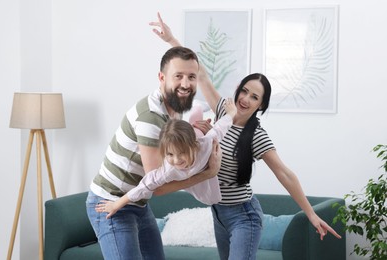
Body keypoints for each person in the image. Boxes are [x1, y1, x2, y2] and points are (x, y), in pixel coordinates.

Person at [150, 12, 342, 260]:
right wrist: (171, 40)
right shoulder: (221, 111)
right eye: (245, 91)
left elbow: (284, 173)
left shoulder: (257, 136)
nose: (246, 99)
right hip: (218, 213)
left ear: (260, 105)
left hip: (244, 215)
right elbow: (201, 73)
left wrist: (311, 214)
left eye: (255, 97)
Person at [86, 45, 222, 260]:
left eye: (191, 77)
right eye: (178, 76)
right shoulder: (151, 119)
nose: (186, 84)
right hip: (112, 203)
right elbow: (157, 185)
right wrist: (207, 173)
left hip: (138, 203)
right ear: (162, 77)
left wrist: (197, 135)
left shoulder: (174, 109)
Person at [95, 98, 237, 219]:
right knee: (209, 197)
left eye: (181, 153)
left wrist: (232, 112)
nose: (176, 160)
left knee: (197, 127)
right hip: (192, 165)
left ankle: (197, 107)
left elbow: (221, 127)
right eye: (170, 155)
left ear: (194, 146)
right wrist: (116, 204)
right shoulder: (166, 171)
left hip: (196, 138)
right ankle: (196, 109)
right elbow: (143, 187)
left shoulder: (206, 144)